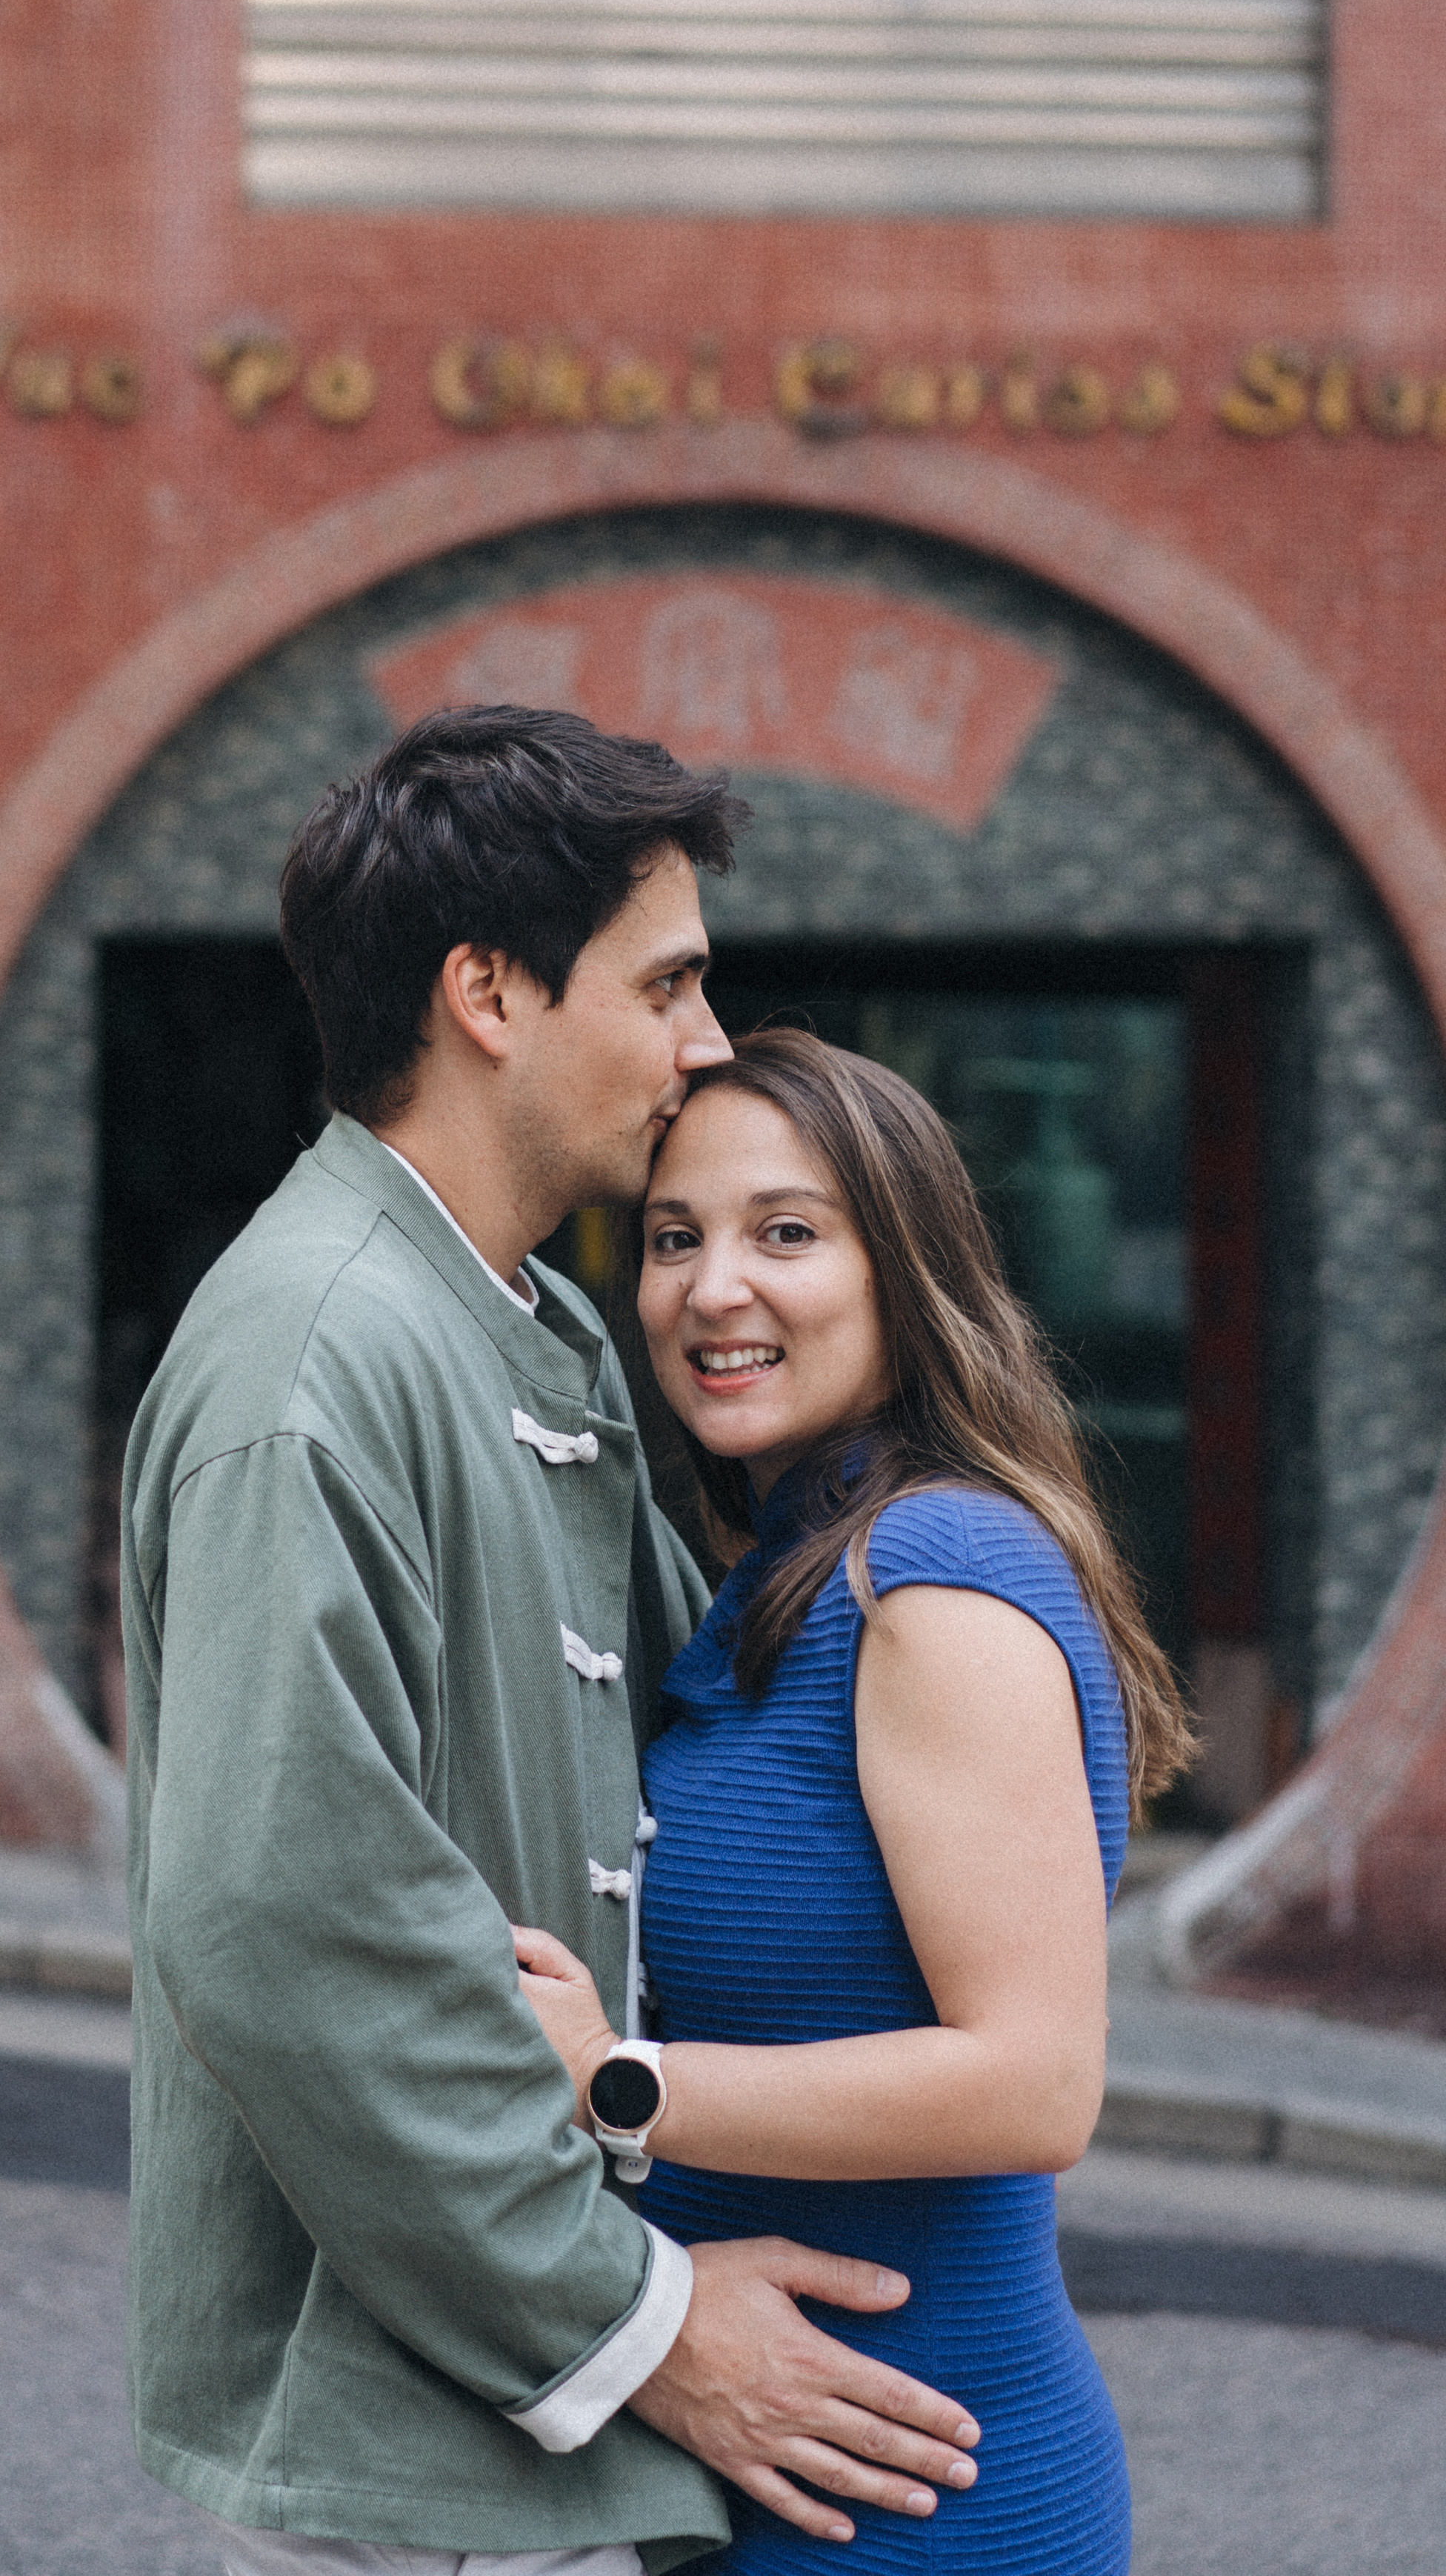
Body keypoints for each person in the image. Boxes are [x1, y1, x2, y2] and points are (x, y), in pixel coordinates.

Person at [120, 710, 988, 2576]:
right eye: (665, 981)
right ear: (489, 992)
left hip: (517, 2441)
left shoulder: (540, 1333)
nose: (699, 1043)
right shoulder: (315, 1354)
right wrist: (648, 2322)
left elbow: (717, 1744)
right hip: (402, 2472)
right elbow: (277, 1921)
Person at [512, 1028, 1195, 2573]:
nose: (710, 1288)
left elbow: (1032, 2084)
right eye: (673, 1237)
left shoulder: (929, 1576)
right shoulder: (788, 1571)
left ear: (904, 1271)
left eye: (785, 1233)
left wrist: (615, 2079)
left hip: (912, 2492)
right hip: (764, 2458)